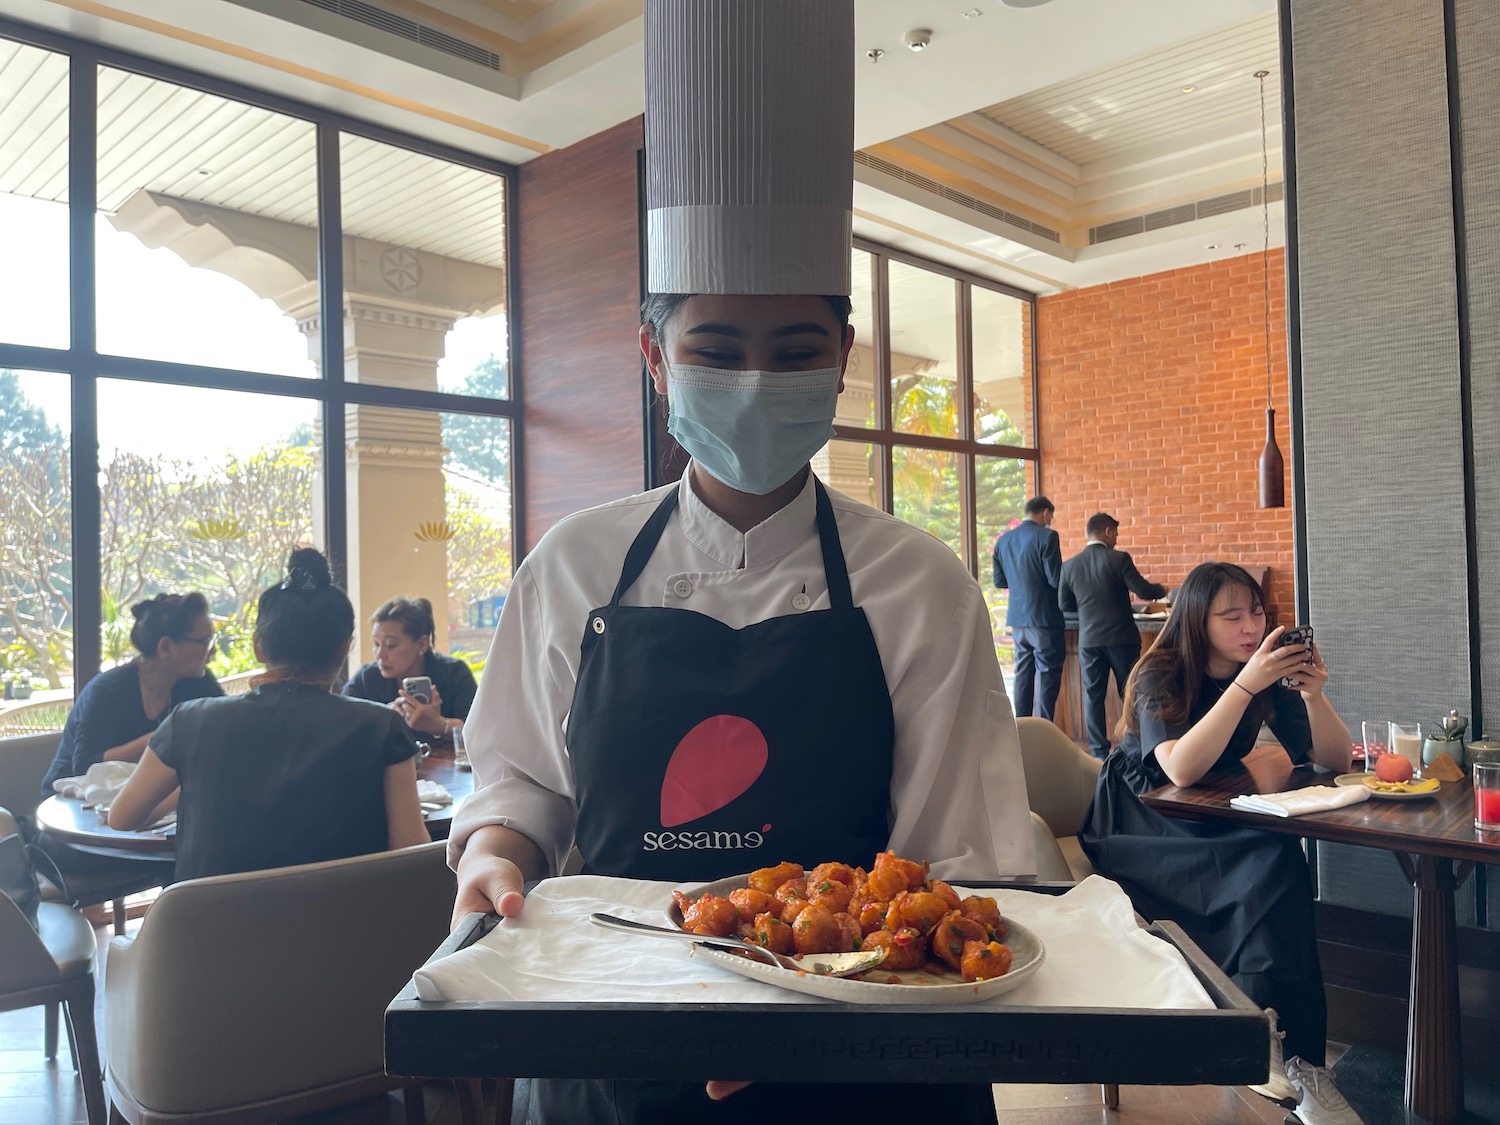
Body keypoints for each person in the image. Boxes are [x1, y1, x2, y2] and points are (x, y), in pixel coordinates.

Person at [1080, 562, 1362, 1125]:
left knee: (1278, 854)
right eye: (1231, 615)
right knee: (1264, 859)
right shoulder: (1162, 670)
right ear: (1196, 620)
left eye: (1256, 611)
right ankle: (1262, 1033)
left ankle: (1293, 1055)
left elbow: (1331, 759)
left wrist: (1314, 697)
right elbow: (1180, 768)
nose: (1249, 626)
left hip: (1209, 811)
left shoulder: (1256, 671)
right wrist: (1245, 686)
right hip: (1142, 818)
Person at [109, 549, 430, 882]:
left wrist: (193, 782)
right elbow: (410, 853)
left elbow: (123, 817)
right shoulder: (382, 727)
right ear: (343, 648)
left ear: (258, 646)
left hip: (208, 930)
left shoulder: (188, 721)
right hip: (342, 929)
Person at [41, 592, 223, 795]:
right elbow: (85, 766)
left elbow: (228, 727)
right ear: (165, 647)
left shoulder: (198, 682)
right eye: (206, 641)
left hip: (148, 803)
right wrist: (162, 737)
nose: (213, 650)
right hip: (75, 805)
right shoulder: (107, 691)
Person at [1058, 512, 1167, 759]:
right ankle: (1136, 744)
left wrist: (1089, 611)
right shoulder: (1118, 559)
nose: (1116, 539)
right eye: (1115, 533)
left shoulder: (1070, 566)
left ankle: (1098, 751)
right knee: (1129, 692)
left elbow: (1064, 604)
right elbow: (1143, 590)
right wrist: (1163, 589)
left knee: (1093, 695)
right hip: (1122, 638)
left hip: (1089, 640)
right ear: (1107, 531)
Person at [342, 596, 477, 745]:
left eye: (390, 645)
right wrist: (383, 718)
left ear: (421, 644)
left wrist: (440, 725)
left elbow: (481, 732)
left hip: (447, 767)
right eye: (376, 644)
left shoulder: (454, 674)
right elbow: (339, 725)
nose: (380, 654)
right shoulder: (366, 679)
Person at [992, 495, 1064, 720]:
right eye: (1050, 515)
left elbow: (999, 581)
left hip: (1017, 620)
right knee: (1047, 675)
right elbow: (1055, 579)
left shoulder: (1004, 541)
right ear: (1045, 513)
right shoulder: (1048, 536)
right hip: (1044, 618)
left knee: (1022, 674)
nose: (1050, 520)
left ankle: (1022, 727)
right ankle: (1045, 730)